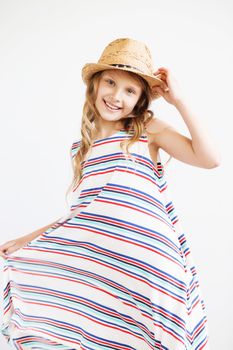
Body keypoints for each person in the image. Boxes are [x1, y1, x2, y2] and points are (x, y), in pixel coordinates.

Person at [0, 37, 220, 349]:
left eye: (130, 90)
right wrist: (27, 240)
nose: (117, 96)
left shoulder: (146, 128)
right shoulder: (81, 150)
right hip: (109, 273)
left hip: (153, 268)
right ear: (94, 85)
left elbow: (210, 159)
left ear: (141, 99)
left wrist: (180, 101)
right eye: (110, 82)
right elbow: (84, 216)